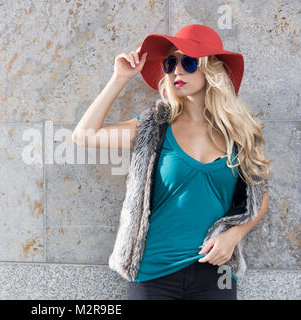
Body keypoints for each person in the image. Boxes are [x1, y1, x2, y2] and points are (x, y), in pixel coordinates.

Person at [72, 24, 271, 300]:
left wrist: (234, 236)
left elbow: (259, 197)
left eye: (189, 62)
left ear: (211, 68)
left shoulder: (239, 133)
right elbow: (84, 135)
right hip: (153, 274)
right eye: (170, 62)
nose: (177, 70)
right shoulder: (154, 127)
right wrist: (119, 78)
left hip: (216, 274)